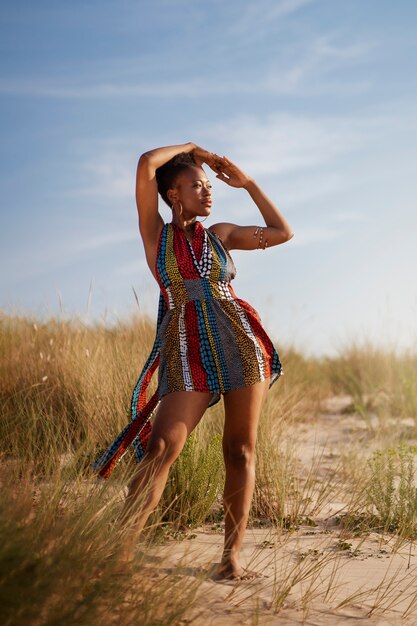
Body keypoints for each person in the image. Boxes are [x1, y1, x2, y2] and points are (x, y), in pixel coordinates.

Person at [92, 142, 294, 580]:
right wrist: (194, 149)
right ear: (172, 195)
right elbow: (147, 162)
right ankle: (120, 555)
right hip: (185, 348)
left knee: (240, 451)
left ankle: (230, 559)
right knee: (161, 448)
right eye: (196, 186)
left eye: (209, 186)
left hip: (239, 341)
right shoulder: (155, 235)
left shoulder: (221, 234)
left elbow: (282, 232)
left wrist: (249, 183)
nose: (207, 192)